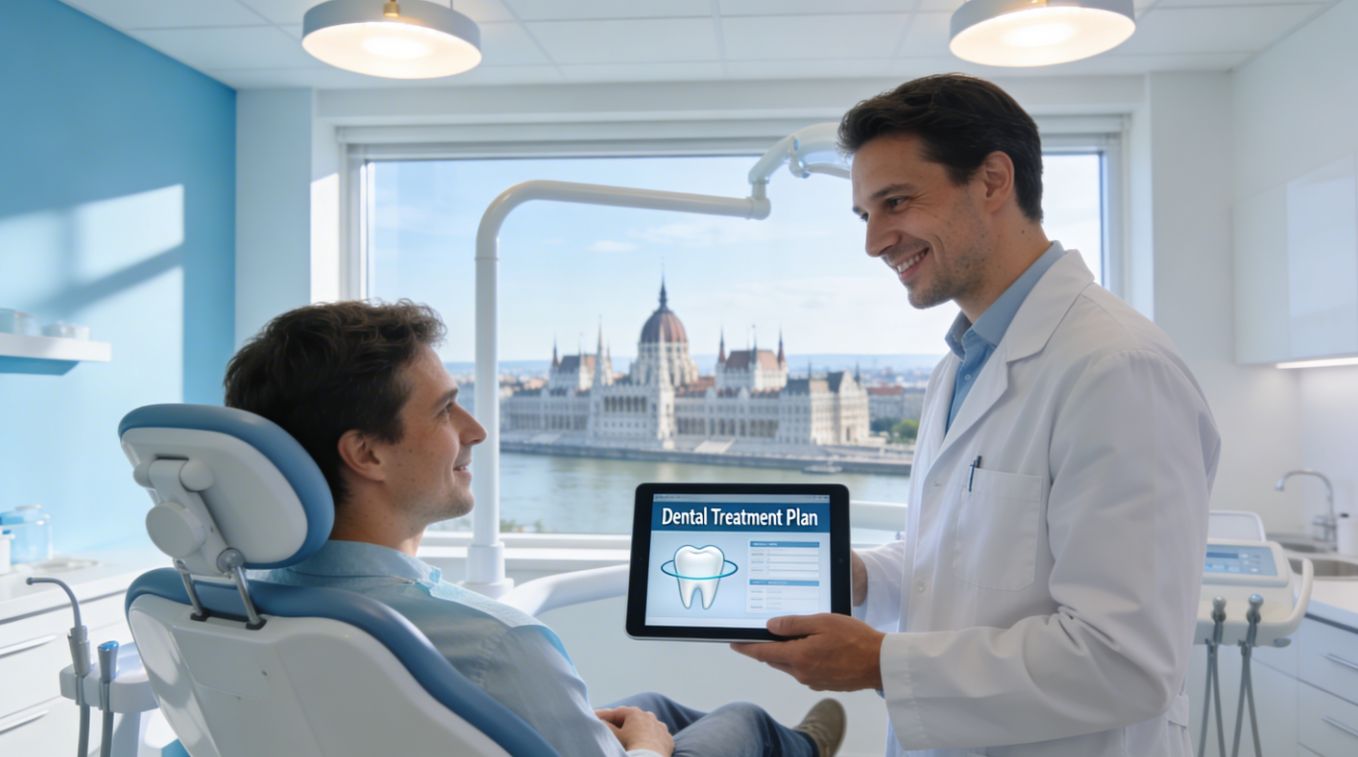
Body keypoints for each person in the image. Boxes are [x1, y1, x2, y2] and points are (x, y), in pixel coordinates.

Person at [732, 74, 1221, 757]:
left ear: (993, 181)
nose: (874, 241)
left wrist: (879, 663)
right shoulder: (961, 365)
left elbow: (1125, 660)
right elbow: (963, 555)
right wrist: (865, 576)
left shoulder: (1117, 369)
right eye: (864, 215)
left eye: (895, 202)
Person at [224, 300, 846, 757]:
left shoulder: (232, 612)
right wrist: (650, 752)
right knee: (742, 720)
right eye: (445, 410)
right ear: (367, 454)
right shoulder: (499, 643)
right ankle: (795, 747)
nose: (477, 429)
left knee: (649, 707)